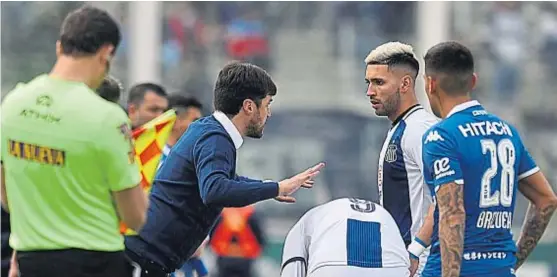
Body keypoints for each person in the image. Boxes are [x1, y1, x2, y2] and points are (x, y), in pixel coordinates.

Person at [124, 61, 325, 277]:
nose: (269, 113)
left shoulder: (208, 129)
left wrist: (273, 187)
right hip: (144, 258)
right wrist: (275, 189)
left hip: (148, 256)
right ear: (249, 106)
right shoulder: (216, 137)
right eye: (267, 104)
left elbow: (228, 179)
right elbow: (215, 190)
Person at [0, 5, 148, 277]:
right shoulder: (108, 118)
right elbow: (135, 217)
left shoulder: (11, 106)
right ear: (107, 53)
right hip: (95, 263)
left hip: (30, 261)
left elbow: (7, 198)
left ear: (59, 48)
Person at [416, 41, 557, 277]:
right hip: (500, 271)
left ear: (430, 84)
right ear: (473, 81)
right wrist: (511, 262)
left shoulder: (440, 136)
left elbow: (453, 213)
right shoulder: (507, 131)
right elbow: (546, 200)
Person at [364, 42, 438, 275]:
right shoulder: (400, 127)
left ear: (405, 83)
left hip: (422, 265)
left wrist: (415, 250)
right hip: (403, 262)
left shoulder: (420, 130)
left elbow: (449, 197)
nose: (370, 92)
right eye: (368, 83)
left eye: (379, 82)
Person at [281, 198, 410, 277]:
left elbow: (292, 272)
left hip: (334, 268)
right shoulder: (319, 216)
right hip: (392, 268)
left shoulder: (300, 228)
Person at [209, 205, 266, 277]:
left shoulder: (221, 214)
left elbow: (211, 236)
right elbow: (260, 239)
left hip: (224, 259)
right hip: (245, 260)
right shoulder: (253, 214)